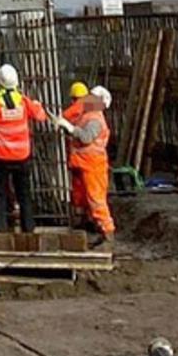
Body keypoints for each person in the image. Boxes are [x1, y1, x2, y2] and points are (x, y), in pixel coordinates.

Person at [0, 63, 50, 232]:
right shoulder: (23, 102)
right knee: (24, 194)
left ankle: (0, 227)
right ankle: (28, 227)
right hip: (22, 155)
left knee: (0, 194)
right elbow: (41, 116)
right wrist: (37, 104)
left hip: (0, 156)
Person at [68, 88, 116, 246]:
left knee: (96, 199)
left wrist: (70, 129)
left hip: (93, 164)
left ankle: (107, 233)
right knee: (83, 198)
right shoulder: (87, 114)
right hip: (84, 162)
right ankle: (90, 227)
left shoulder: (95, 119)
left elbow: (86, 137)